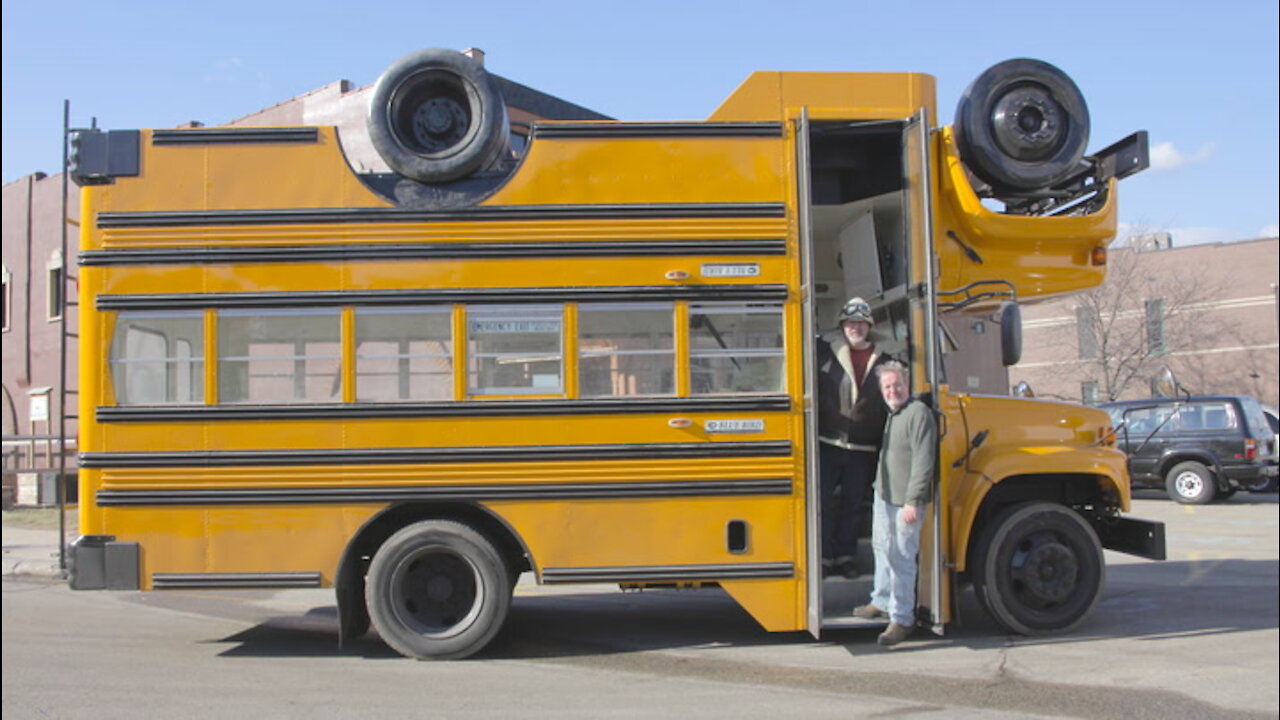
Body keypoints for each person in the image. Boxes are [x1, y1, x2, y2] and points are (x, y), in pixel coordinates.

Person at [853, 360, 937, 647]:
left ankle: (901, 619)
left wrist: (913, 502)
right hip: (885, 495)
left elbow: (924, 463)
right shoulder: (893, 414)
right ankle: (881, 600)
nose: (892, 390)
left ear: (907, 385)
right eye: (887, 386)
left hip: (905, 502)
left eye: (897, 385)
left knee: (901, 558)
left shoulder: (918, 414)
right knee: (882, 549)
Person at [815, 297, 893, 579]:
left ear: (869, 326)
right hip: (828, 442)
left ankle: (846, 557)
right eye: (850, 322)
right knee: (821, 502)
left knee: (853, 503)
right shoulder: (824, 353)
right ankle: (823, 557)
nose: (855, 327)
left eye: (860, 322)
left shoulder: (886, 359)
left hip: (863, 446)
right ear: (842, 326)